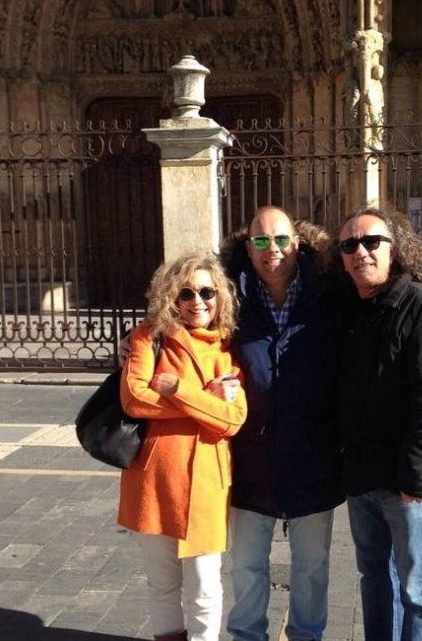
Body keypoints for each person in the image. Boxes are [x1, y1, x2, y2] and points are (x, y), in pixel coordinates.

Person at [328, 205, 422, 641]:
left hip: (404, 481)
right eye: (349, 245)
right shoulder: (350, 310)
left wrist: (415, 480)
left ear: (395, 249)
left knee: (418, 588)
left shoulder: (421, 308)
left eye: (371, 241)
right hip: (361, 476)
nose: (360, 251)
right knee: (373, 579)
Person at [219, 206, 343, 641]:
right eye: (259, 241)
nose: (270, 249)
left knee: (311, 567)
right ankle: (247, 636)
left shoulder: (329, 294)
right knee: (248, 566)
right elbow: (181, 321)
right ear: (246, 247)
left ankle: (306, 637)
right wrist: (140, 341)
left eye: (279, 239)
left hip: (314, 457)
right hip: (250, 458)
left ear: (297, 242)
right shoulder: (227, 298)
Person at [119, 252, 248, 641]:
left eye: (206, 292)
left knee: (205, 587)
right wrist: (203, 401)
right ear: (170, 298)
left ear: (220, 296)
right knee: (162, 584)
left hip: (208, 484)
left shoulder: (228, 347)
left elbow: (233, 420)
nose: (197, 302)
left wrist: (178, 389)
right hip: (155, 480)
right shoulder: (148, 336)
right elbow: (134, 400)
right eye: (185, 293)